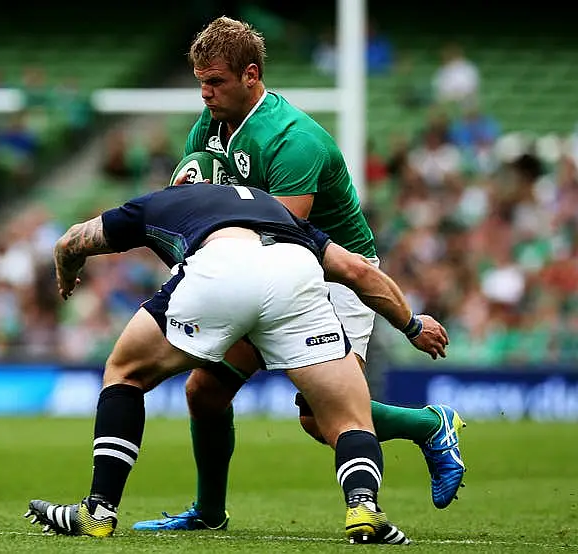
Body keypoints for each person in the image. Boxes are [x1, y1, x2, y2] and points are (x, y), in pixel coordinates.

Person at [133, 16, 465, 533]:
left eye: (215, 81)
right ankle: (210, 514)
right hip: (259, 269)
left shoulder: (294, 139)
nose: (204, 93)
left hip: (332, 275)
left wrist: (409, 323)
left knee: (319, 416)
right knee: (204, 391)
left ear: (251, 75)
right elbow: (196, 204)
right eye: (200, 80)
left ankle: (430, 425)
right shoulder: (211, 126)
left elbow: (282, 232)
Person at [25, 182, 450, 543]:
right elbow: (357, 270)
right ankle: (363, 508)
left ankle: (98, 510)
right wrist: (412, 325)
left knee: (125, 372)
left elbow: (72, 241)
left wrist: (66, 268)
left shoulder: (163, 201)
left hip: (223, 266)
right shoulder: (273, 206)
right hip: (295, 275)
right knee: (347, 418)